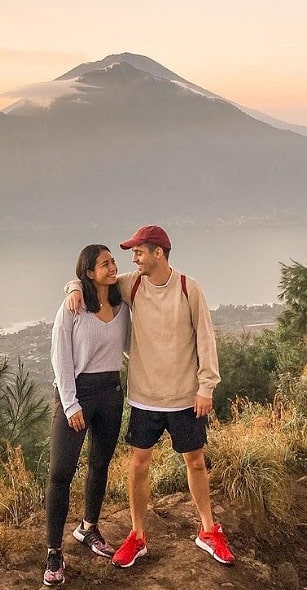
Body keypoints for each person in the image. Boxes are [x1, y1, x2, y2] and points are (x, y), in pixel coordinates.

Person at [66, 224, 235, 568]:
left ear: (159, 253)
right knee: (138, 465)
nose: (133, 259)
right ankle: (138, 536)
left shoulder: (189, 288)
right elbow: (94, 281)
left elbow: (206, 339)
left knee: (196, 462)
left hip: (185, 397)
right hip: (144, 398)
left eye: (139, 252)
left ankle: (207, 530)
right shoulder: (134, 284)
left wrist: (206, 387)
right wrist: (72, 286)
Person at [43, 244, 131, 587]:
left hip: (111, 393)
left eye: (113, 262)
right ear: (89, 272)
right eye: (105, 263)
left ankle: (88, 527)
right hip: (77, 393)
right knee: (61, 472)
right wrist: (70, 404)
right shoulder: (73, 308)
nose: (112, 267)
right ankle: (53, 551)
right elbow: (59, 357)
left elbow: (130, 349)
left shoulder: (122, 305)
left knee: (100, 463)